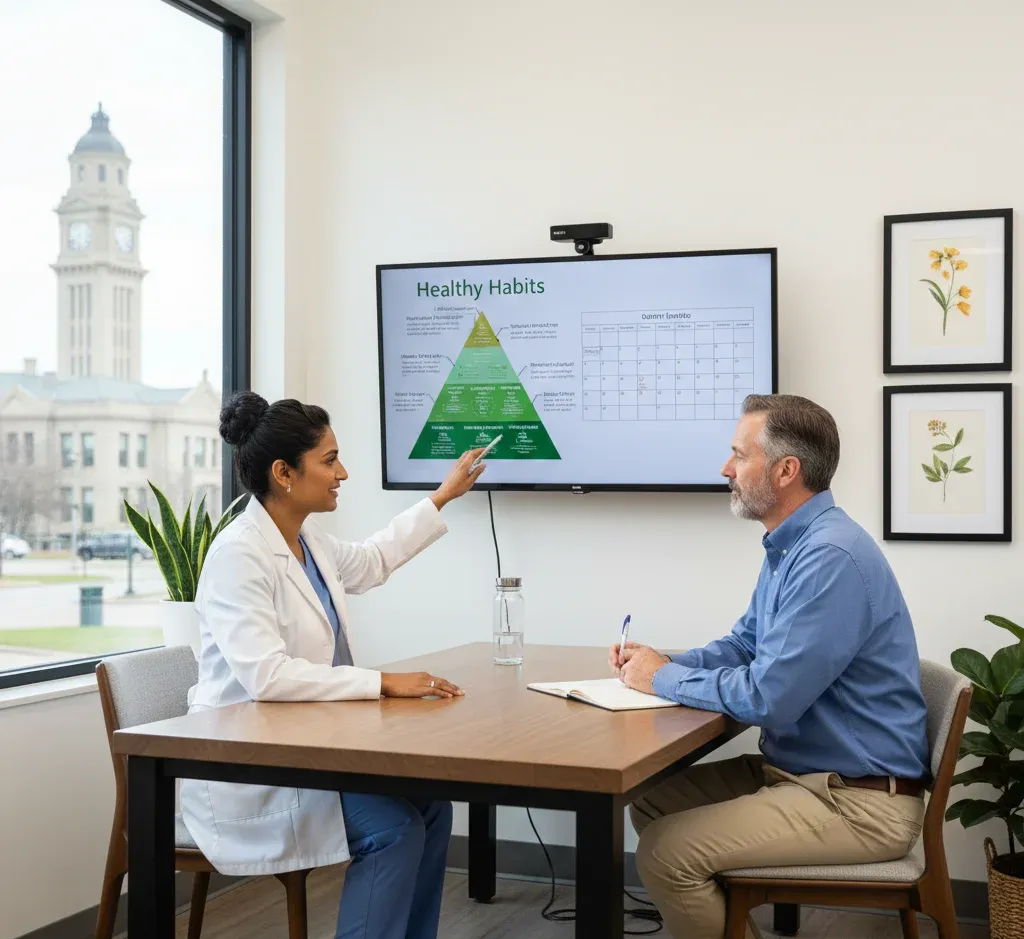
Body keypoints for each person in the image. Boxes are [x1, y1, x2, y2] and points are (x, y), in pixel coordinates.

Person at [609, 394, 930, 939]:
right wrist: (660, 660)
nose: (725, 468)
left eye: (739, 454)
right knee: (653, 804)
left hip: (857, 802)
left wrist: (661, 679)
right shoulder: (792, 545)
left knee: (665, 854)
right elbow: (743, 645)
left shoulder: (830, 557)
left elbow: (768, 697)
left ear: (786, 471)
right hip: (805, 775)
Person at [181, 391, 485, 939]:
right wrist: (383, 683)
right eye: (329, 460)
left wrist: (441, 497)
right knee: (393, 829)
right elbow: (266, 677)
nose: (342, 472)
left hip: (314, 748)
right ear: (284, 473)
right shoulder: (237, 555)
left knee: (433, 806)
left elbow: (368, 563)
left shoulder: (305, 539)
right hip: (256, 764)